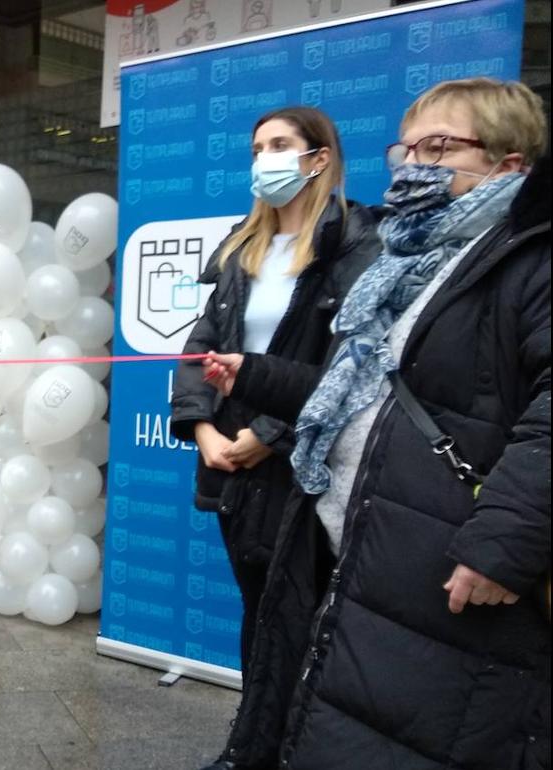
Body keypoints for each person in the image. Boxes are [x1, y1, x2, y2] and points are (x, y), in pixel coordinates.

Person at [200, 78, 550, 769]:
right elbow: (362, 392)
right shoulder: (412, 261)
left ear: (510, 163)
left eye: (440, 146)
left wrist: (505, 540)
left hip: (444, 557)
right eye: (408, 148)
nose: (415, 163)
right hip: (359, 535)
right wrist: (259, 376)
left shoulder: (527, 258)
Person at [171, 106, 380, 685]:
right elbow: (201, 344)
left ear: (319, 158)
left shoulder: (354, 241)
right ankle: (254, 738)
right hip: (235, 466)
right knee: (260, 612)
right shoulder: (243, 246)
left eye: (280, 145)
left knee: (309, 620)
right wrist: (204, 430)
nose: (265, 159)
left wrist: (268, 436)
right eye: (257, 149)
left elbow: (349, 367)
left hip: (308, 465)